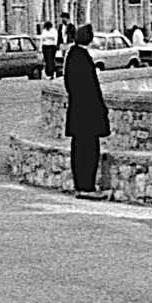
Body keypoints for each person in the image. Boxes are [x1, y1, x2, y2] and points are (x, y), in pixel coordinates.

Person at [63, 23, 109, 196]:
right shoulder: (82, 57)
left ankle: (80, 184)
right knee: (89, 151)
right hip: (87, 113)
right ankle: (87, 186)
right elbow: (90, 88)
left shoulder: (72, 55)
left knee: (78, 149)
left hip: (77, 111)